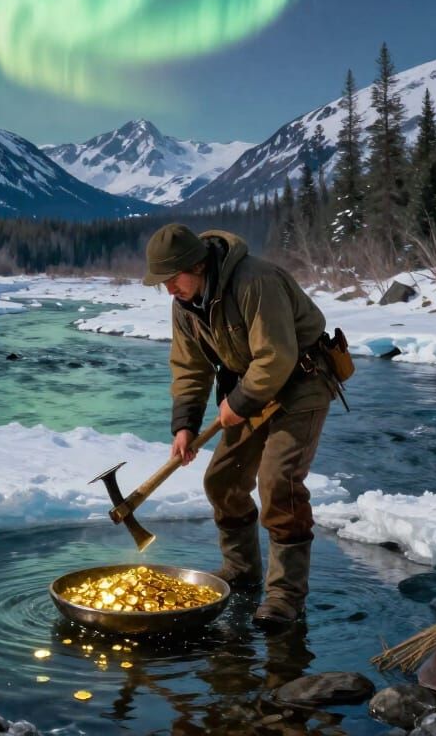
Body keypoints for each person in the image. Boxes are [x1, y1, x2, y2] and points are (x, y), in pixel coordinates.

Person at [142, 222, 334, 628]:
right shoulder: (185, 305)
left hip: (302, 381)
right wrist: (185, 426)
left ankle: (285, 597)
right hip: (250, 388)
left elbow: (276, 357)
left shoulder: (255, 281)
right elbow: (190, 369)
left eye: (172, 279)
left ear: (197, 265)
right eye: (163, 283)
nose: (169, 290)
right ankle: (241, 571)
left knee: (279, 484)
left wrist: (240, 403)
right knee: (223, 482)